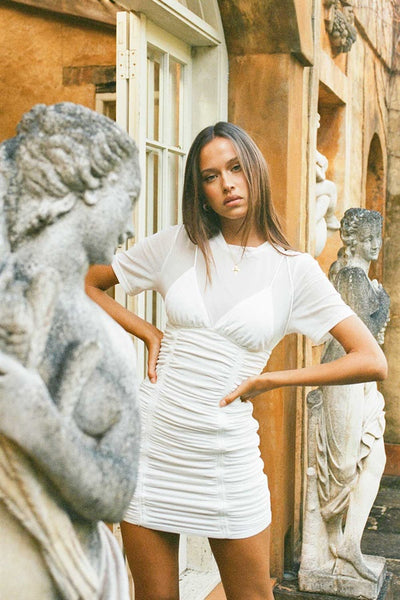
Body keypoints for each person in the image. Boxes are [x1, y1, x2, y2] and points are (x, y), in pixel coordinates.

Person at [86, 122, 387, 600]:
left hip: (227, 454)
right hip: (153, 443)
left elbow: (370, 359)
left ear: (255, 172)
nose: (226, 184)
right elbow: (85, 282)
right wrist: (147, 331)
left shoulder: (294, 270)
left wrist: (273, 380)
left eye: (235, 168)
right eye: (210, 176)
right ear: (200, 191)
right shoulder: (175, 244)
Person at [0, 102, 142, 599]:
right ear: (92, 188)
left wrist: (40, 424)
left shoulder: (104, 340)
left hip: (73, 575)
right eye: (129, 199)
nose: (130, 225)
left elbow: (116, 494)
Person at [314, 208, 389, 581]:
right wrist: (383, 302)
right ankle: (336, 542)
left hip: (361, 378)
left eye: (378, 237)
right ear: (354, 241)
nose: (375, 245)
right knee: (344, 468)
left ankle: (350, 544)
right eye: (369, 238)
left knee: (375, 457)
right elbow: (363, 333)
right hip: (344, 376)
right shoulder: (352, 277)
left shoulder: (360, 277)